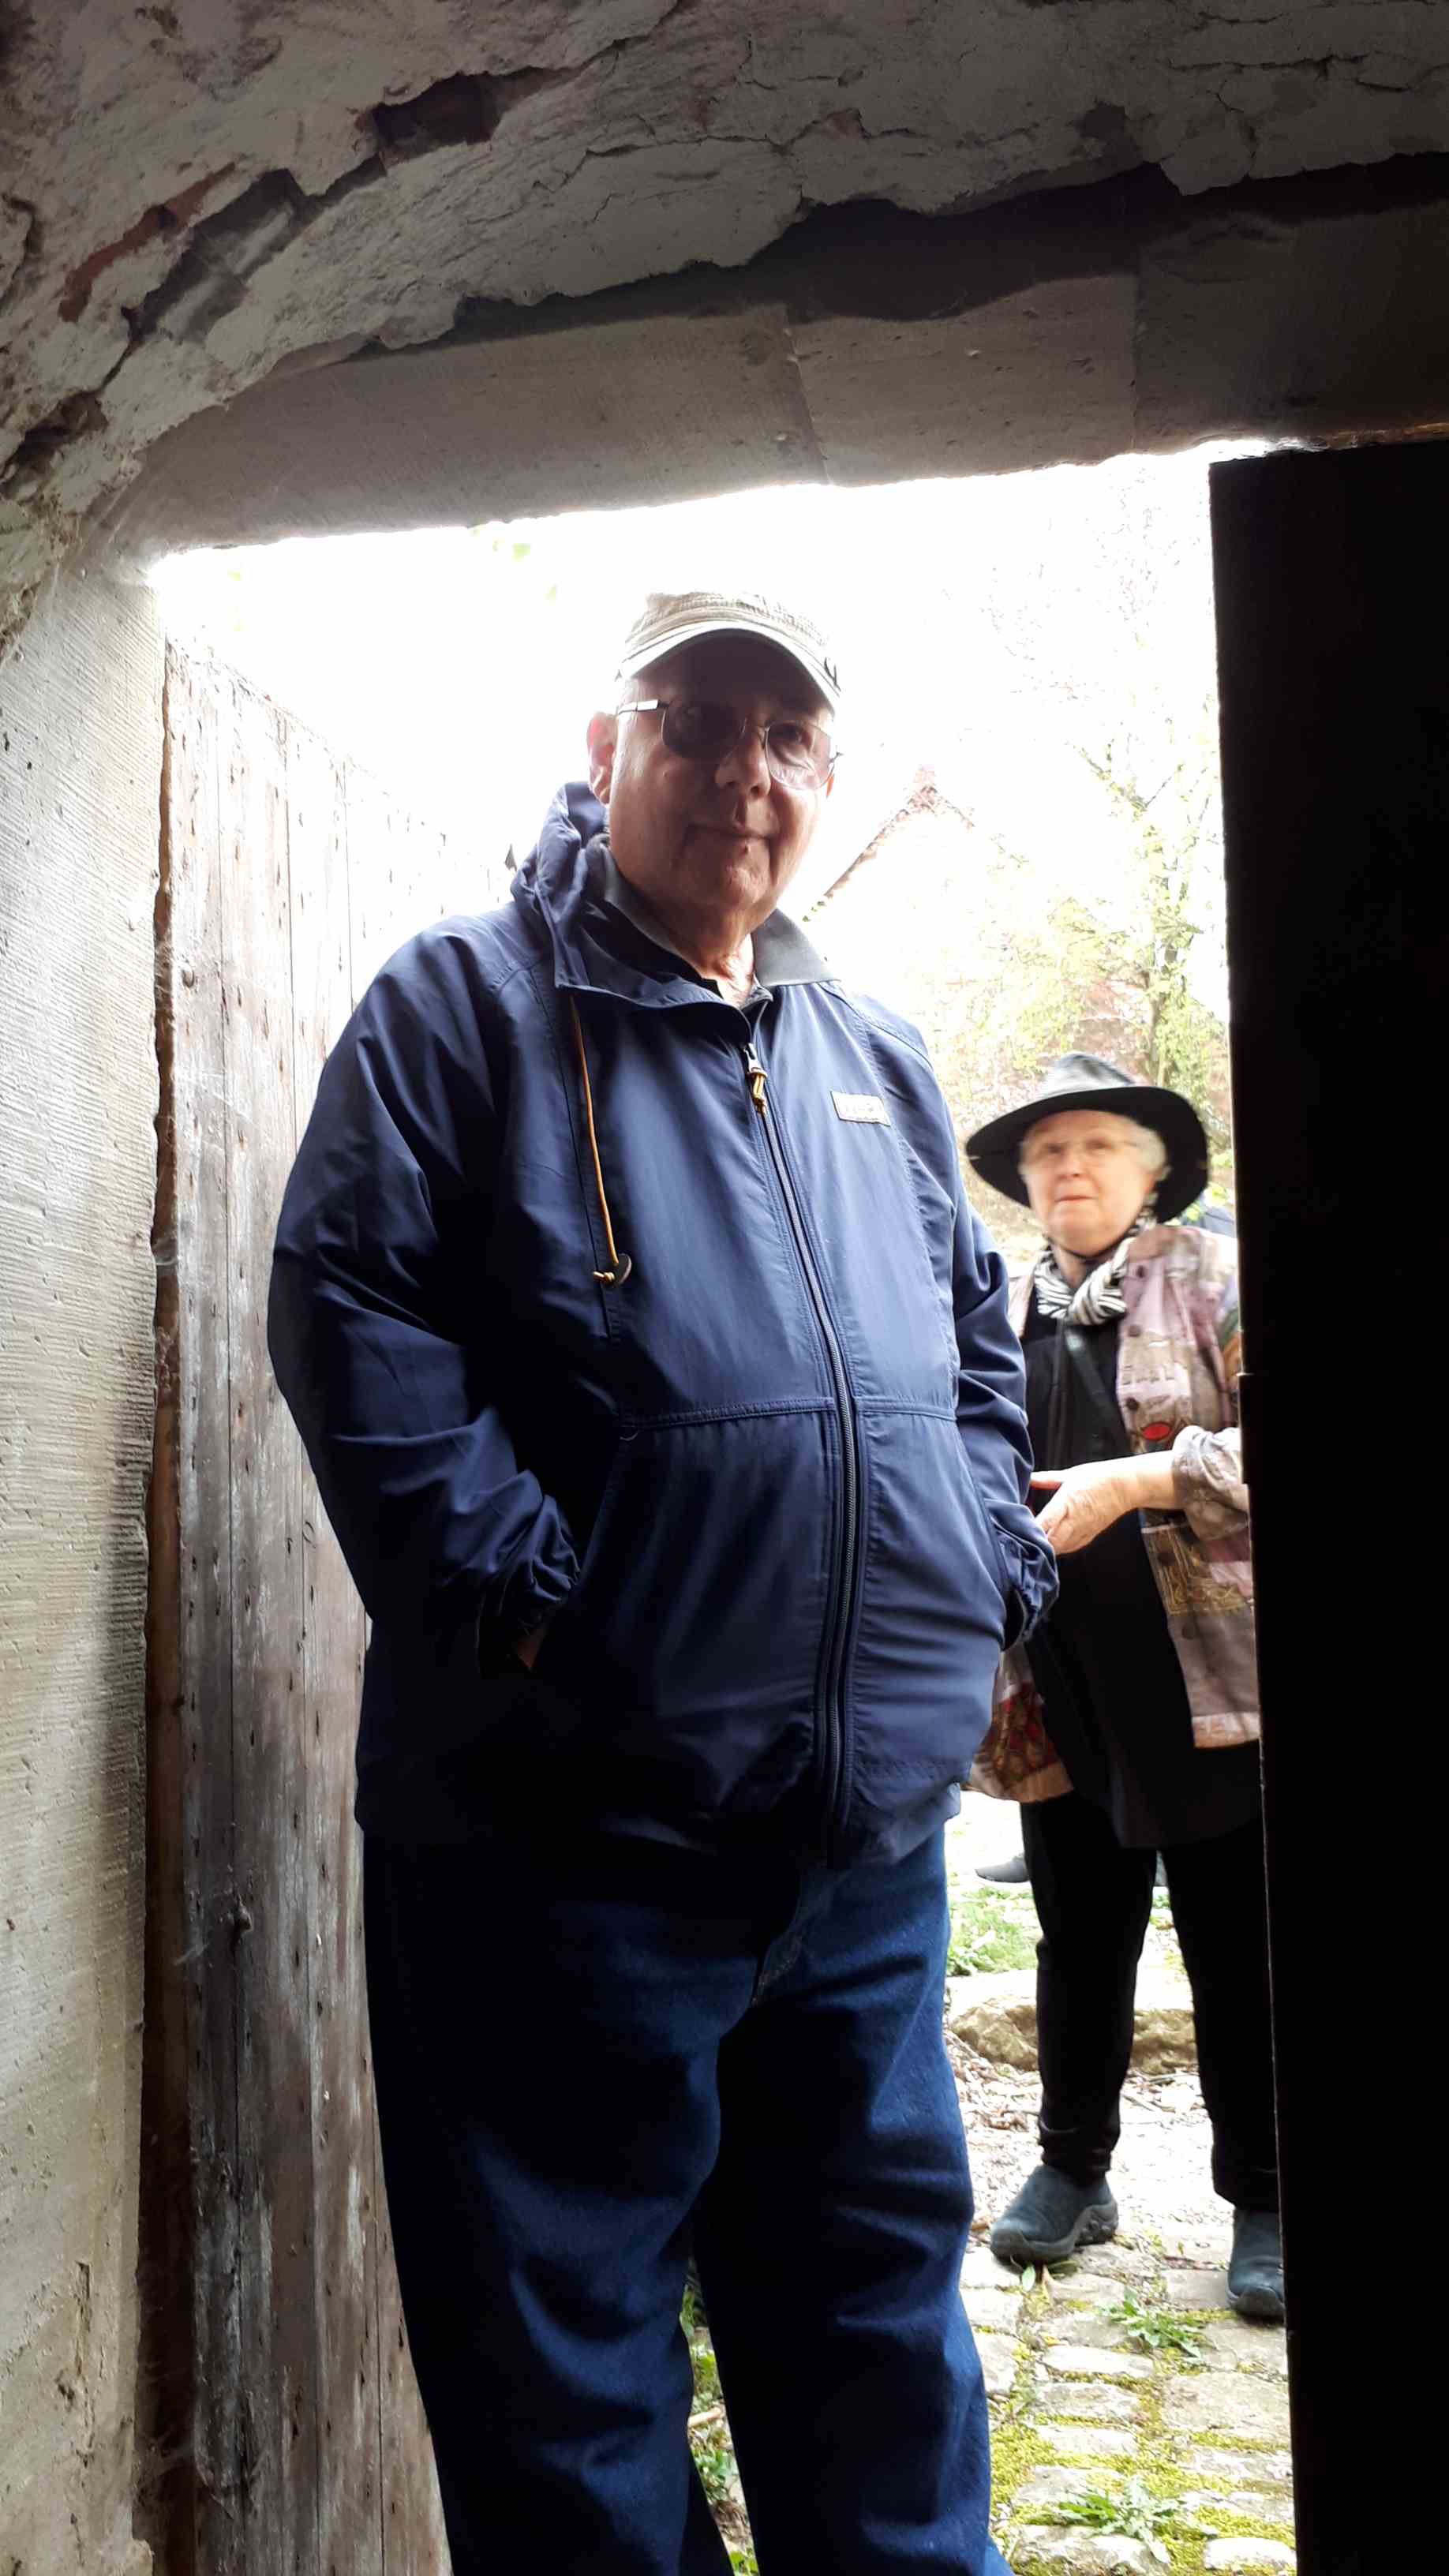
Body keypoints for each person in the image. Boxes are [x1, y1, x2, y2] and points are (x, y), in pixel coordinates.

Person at [268, 588, 1057, 2576]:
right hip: (565, 1850)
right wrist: (544, 1616)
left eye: (788, 737)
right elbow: (350, 1309)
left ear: (826, 778)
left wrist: (980, 1576)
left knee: (881, 2347)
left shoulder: (872, 1052)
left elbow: (979, 1353)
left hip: (856, 1862)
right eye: (696, 720)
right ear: (605, 746)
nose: (743, 772)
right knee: (568, 2400)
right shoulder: (459, 1007)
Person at [964, 1055, 1282, 2322]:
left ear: (1153, 1172)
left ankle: (1266, 2195)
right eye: (1047, 1153)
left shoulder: (1217, 1279)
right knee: (1078, 1928)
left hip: (1211, 1681)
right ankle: (1072, 2168)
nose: (1070, 1168)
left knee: (1237, 1940)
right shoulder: (994, 1308)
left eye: (1097, 1144)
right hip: (1058, 1682)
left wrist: (1143, 1483)